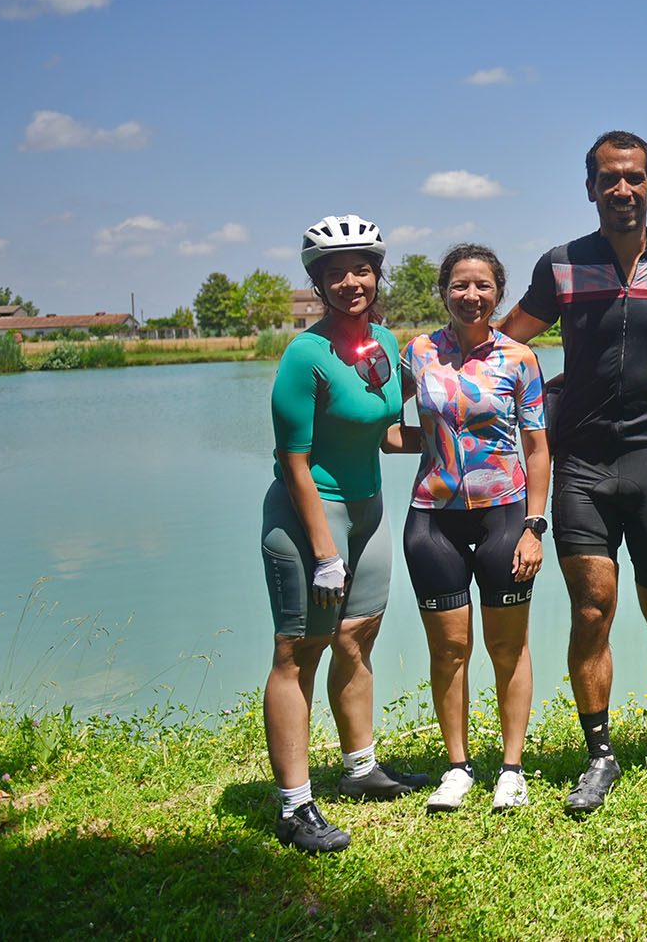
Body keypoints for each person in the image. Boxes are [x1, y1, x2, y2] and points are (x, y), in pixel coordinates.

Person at [497, 131, 647, 814]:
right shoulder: (561, 265)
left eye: (633, 178)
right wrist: (430, 362)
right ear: (590, 188)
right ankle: (600, 755)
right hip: (582, 465)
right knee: (591, 610)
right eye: (608, 178)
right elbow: (505, 341)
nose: (622, 189)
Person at [260, 214, 428, 854]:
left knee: (357, 639)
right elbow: (295, 462)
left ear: (377, 275)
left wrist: (464, 437)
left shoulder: (382, 341)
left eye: (361, 270)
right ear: (318, 283)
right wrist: (324, 553)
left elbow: (384, 434)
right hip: (311, 518)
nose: (351, 283)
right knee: (298, 653)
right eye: (336, 274)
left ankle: (360, 769)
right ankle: (294, 806)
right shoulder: (305, 355)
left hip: (368, 510)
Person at [381, 244, 549, 814]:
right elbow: (384, 426)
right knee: (449, 650)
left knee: (507, 647)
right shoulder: (418, 353)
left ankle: (511, 769)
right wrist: (434, 441)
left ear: (498, 293)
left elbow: (537, 447)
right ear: (444, 292)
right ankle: (457, 768)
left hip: (506, 515)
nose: (470, 295)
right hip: (433, 520)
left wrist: (535, 526)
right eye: (459, 285)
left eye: (482, 285)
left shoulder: (520, 358)